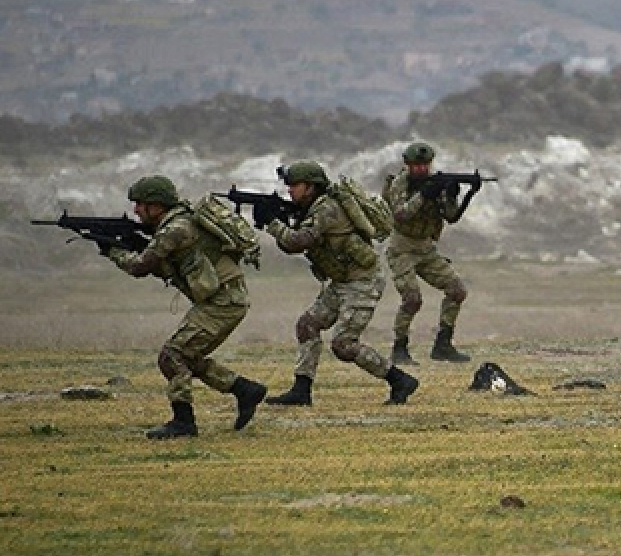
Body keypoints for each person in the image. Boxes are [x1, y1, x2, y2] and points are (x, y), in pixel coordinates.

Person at [105, 176, 267, 439]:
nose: (135, 210)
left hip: (223, 303)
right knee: (187, 357)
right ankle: (245, 390)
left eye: (140, 204)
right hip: (224, 300)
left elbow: (140, 267)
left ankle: (184, 423)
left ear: (157, 206)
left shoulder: (174, 229)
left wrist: (113, 251)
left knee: (172, 356)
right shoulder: (178, 222)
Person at [261, 161, 419, 406]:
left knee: (343, 344)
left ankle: (400, 380)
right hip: (342, 281)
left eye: (295, 185)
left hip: (363, 282)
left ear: (311, 187)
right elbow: (293, 244)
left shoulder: (327, 209)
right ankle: (301, 391)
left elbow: (298, 241)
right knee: (308, 326)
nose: (290, 190)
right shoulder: (313, 207)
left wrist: (273, 223)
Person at [382, 141, 474, 365]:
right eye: (417, 165)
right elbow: (401, 214)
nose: (422, 169)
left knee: (457, 291)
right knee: (412, 299)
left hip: (426, 248)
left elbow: (451, 217)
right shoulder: (399, 184)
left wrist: (455, 195)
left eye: (425, 165)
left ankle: (443, 345)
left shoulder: (435, 183)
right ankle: (399, 348)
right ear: (408, 165)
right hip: (401, 248)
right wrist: (424, 194)